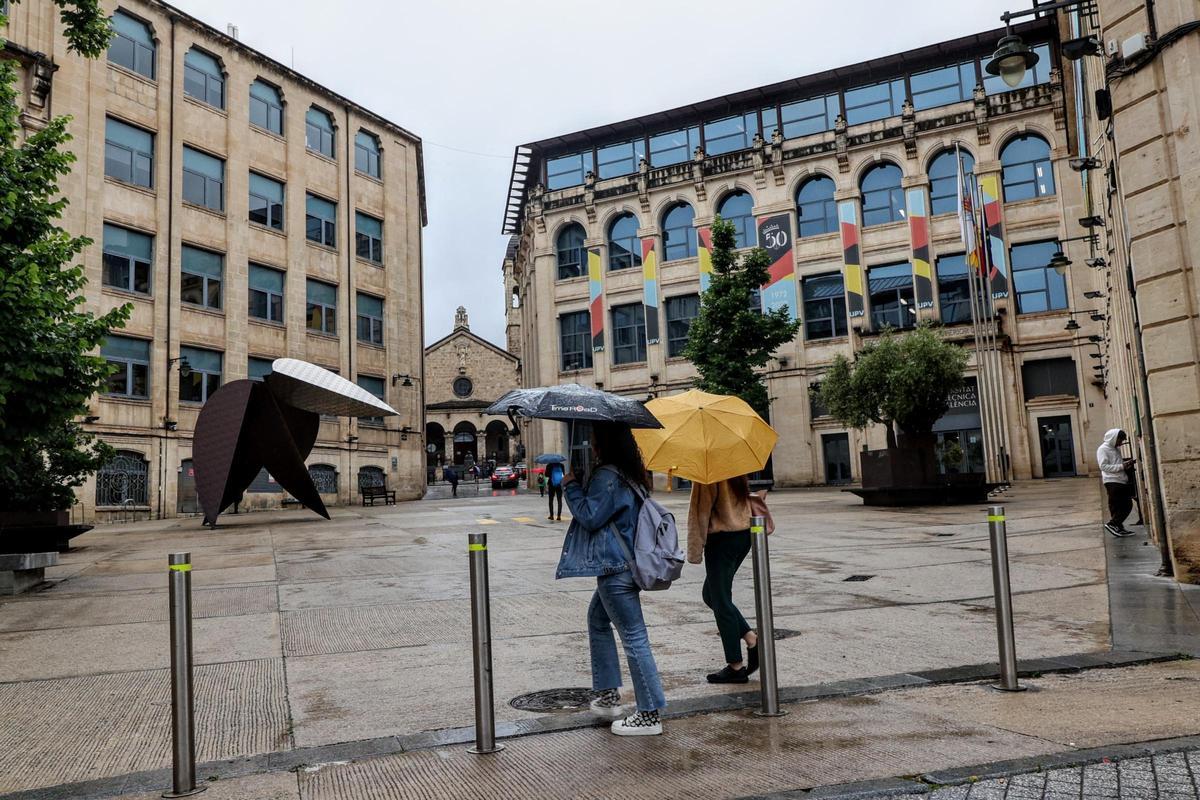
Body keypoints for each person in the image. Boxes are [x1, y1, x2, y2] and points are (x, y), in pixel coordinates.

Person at [556, 421, 666, 736]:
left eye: (594, 438)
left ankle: (649, 715)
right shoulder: (631, 473)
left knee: (634, 637)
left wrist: (571, 486)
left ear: (603, 442)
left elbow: (590, 517)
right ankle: (607, 695)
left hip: (616, 568)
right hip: (626, 564)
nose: (591, 444)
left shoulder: (607, 475)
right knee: (597, 620)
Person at [688, 475, 759, 684]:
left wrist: (694, 551)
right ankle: (751, 638)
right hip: (742, 534)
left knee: (720, 601)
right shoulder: (733, 466)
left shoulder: (706, 473)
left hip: (722, 539)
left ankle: (735, 666)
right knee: (710, 594)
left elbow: (700, 511)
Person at [1097, 428, 1136, 537]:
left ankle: (1118, 527)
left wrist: (1126, 463)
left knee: (1118, 506)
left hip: (1120, 480)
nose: (1121, 443)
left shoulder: (1115, 449)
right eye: (1120, 440)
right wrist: (1122, 466)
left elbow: (1116, 462)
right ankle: (1112, 524)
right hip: (1112, 481)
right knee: (1126, 505)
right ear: (1114, 438)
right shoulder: (1103, 449)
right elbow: (1103, 466)